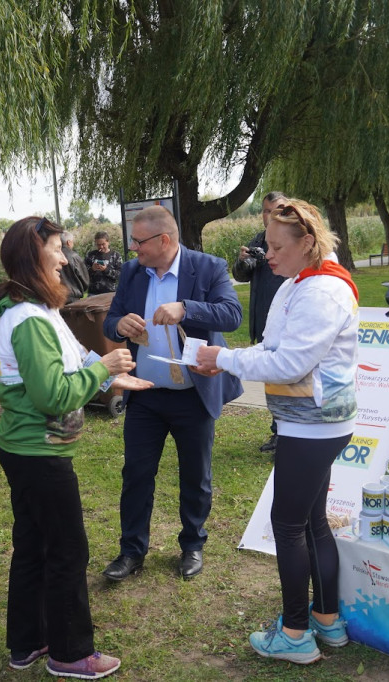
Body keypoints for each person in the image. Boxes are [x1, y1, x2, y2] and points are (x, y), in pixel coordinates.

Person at [0, 216, 151, 679]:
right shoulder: (28, 322)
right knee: (67, 551)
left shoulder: (43, 312)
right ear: (32, 258)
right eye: (56, 249)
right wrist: (106, 369)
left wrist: (112, 372)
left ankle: (28, 641)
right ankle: (71, 653)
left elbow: (75, 357)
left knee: (35, 545)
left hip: (31, 451)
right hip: (39, 456)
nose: (64, 258)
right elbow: (54, 395)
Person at [194, 199, 359, 664]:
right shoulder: (299, 283)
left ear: (307, 243)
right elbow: (272, 347)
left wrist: (223, 358)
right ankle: (327, 621)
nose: (266, 254)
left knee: (287, 527)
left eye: (275, 245)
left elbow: (289, 362)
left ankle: (294, 633)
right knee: (311, 523)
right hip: (309, 421)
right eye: (266, 243)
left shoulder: (320, 291)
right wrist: (229, 359)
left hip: (312, 426)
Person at [101, 205, 243, 582]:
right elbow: (110, 319)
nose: (133, 248)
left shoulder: (208, 267)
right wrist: (121, 324)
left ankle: (192, 546)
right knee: (136, 474)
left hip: (192, 394)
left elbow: (232, 315)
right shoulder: (133, 272)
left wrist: (186, 309)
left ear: (164, 239)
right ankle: (132, 551)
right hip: (145, 395)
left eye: (139, 241)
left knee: (196, 476)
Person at [232, 192, 290, 453]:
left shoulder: (294, 239)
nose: (270, 215)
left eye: (276, 209)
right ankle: (278, 432)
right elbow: (242, 275)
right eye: (266, 211)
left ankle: (289, 434)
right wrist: (243, 261)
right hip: (264, 317)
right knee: (273, 380)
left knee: (289, 377)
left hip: (289, 319)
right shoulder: (259, 240)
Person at [84, 231, 123, 295]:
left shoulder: (116, 255)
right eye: (98, 245)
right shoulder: (90, 255)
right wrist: (92, 269)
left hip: (110, 293)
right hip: (93, 293)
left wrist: (106, 270)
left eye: (103, 244)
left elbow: (120, 275)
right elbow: (83, 274)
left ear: (108, 242)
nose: (101, 247)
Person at [59, 232, 90, 304]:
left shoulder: (54, 255)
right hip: (73, 298)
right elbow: (85, 280)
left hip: (58, 297)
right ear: (69, 242)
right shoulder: (74, 257)